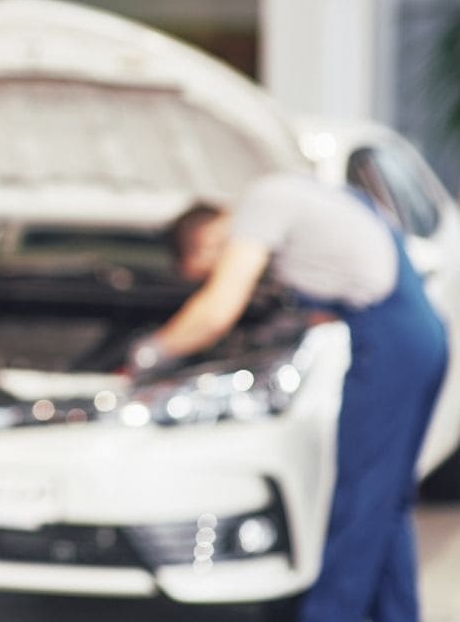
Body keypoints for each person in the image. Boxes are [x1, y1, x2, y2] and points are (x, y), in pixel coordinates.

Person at [128, 173, 447, 622]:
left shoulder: (261, 205)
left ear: (202, 241)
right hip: (421, 336)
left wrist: (144, 355)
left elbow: (218, 310)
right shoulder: (297, 201)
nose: (217, 270)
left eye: (207, 269)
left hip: (390, 343)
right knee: (386, 500)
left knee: (361, 496)